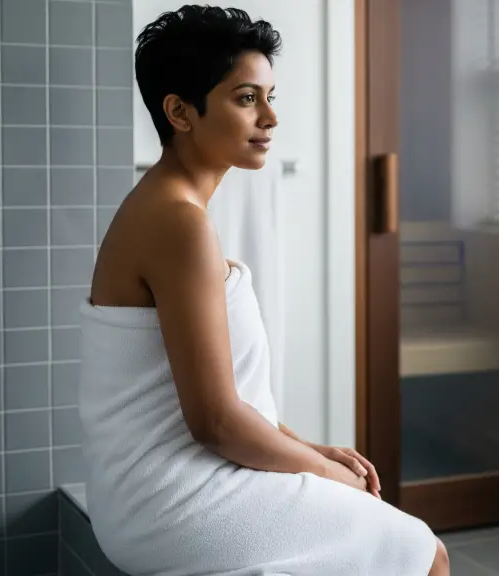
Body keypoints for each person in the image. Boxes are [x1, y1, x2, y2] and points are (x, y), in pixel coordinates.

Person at [79, 5, 449, 575]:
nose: (271, 117)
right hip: (174, 498)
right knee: (424, 553)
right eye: (247, 98)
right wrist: (323, 472)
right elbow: (217, 421)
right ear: (179, 111)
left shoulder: (167, 209)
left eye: (269, 95)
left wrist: (309, 450)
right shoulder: (178, 223)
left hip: (152, 488)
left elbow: (226, 397)